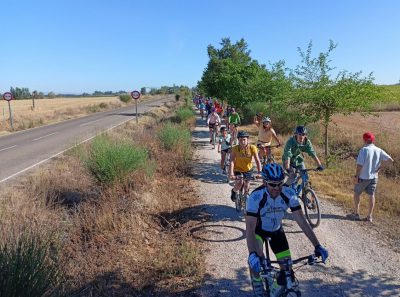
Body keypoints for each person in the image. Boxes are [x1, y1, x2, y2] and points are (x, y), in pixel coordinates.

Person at [246, 163, 329, 296]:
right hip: (259, 232)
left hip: (276, 231)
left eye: (279, 183)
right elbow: (250, 227)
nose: (277, 188)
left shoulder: (289, 193)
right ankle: (257, 284)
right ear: (264, 182)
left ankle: (275, 288)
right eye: (272, 184)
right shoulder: (256, 197)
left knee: (287, 270)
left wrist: (317, 245)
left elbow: (301, 221)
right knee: (257, 259)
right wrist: (252, 254)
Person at [352, 132, 394, 222]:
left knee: (357, 193)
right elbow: (390, 160)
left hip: (363, 177)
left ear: (364, 140)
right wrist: (380, 167)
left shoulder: (364, 150)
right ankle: (369, 216)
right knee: (371, 195)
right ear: (372, 140)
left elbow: (359, 165)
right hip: (374, 177)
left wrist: (356, 176)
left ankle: (356, 214)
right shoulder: (379, 150)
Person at [230, 131, 262, 202]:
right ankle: (234, 191)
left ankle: (246, 202)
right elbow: (232, 161)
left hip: (248, 169)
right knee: (240, 183)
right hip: (237, 169)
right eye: (240, 140)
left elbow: (257, 160)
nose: (242, 141)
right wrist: (231, 174)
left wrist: (260, 172)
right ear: (238, 140)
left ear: (248, 140)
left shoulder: (252, 148)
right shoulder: (235, 148)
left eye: (244, 139)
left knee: (247, 187)